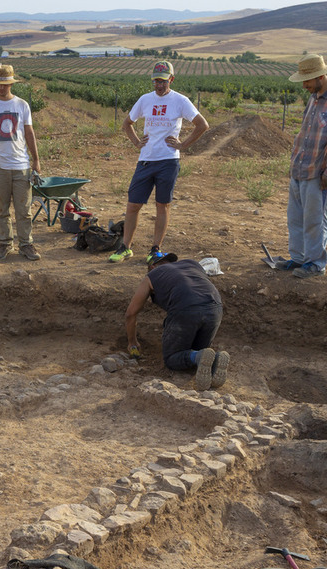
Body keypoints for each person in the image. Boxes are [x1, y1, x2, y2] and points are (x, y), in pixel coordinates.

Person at [111, 61, 209, 265]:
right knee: (133, 205)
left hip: (168, 161)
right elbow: (127, 123)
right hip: (146, 160)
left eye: (163, 81)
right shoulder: (145, 100)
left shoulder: (180, 101)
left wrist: (183, 145)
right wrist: (137, 142)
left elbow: (202, 125)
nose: (159, 84)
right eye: (156, 80)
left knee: (162, 205)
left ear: (171, 80)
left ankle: (155, 250)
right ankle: (125, 247)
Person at [278, 54, 327, 279]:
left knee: (315, 220)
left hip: (317, 171)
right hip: (299, 168)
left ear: (321, 76)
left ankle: (315, 263)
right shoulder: (314, 96)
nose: (304, 86)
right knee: (295, 218)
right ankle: (298, 258)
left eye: (308, 81)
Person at [124, 253, 229, 391]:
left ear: (152, 266)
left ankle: (198, 356)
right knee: (198, 353)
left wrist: (132, 342)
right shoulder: (192, 264)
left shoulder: (152, 276)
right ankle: (214, 358)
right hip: (215, 307)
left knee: (172, 358)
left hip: (186, 308)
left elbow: (130, 314)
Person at [0, 63, 42, 262]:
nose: (1, 88)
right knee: (0, 209)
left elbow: (29, 133)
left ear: (11, 84)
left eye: (4, 84)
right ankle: (5, 244)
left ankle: (26, 244)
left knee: (24, 210)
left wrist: (36, 160)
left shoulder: (22, 105)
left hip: (21, 165)